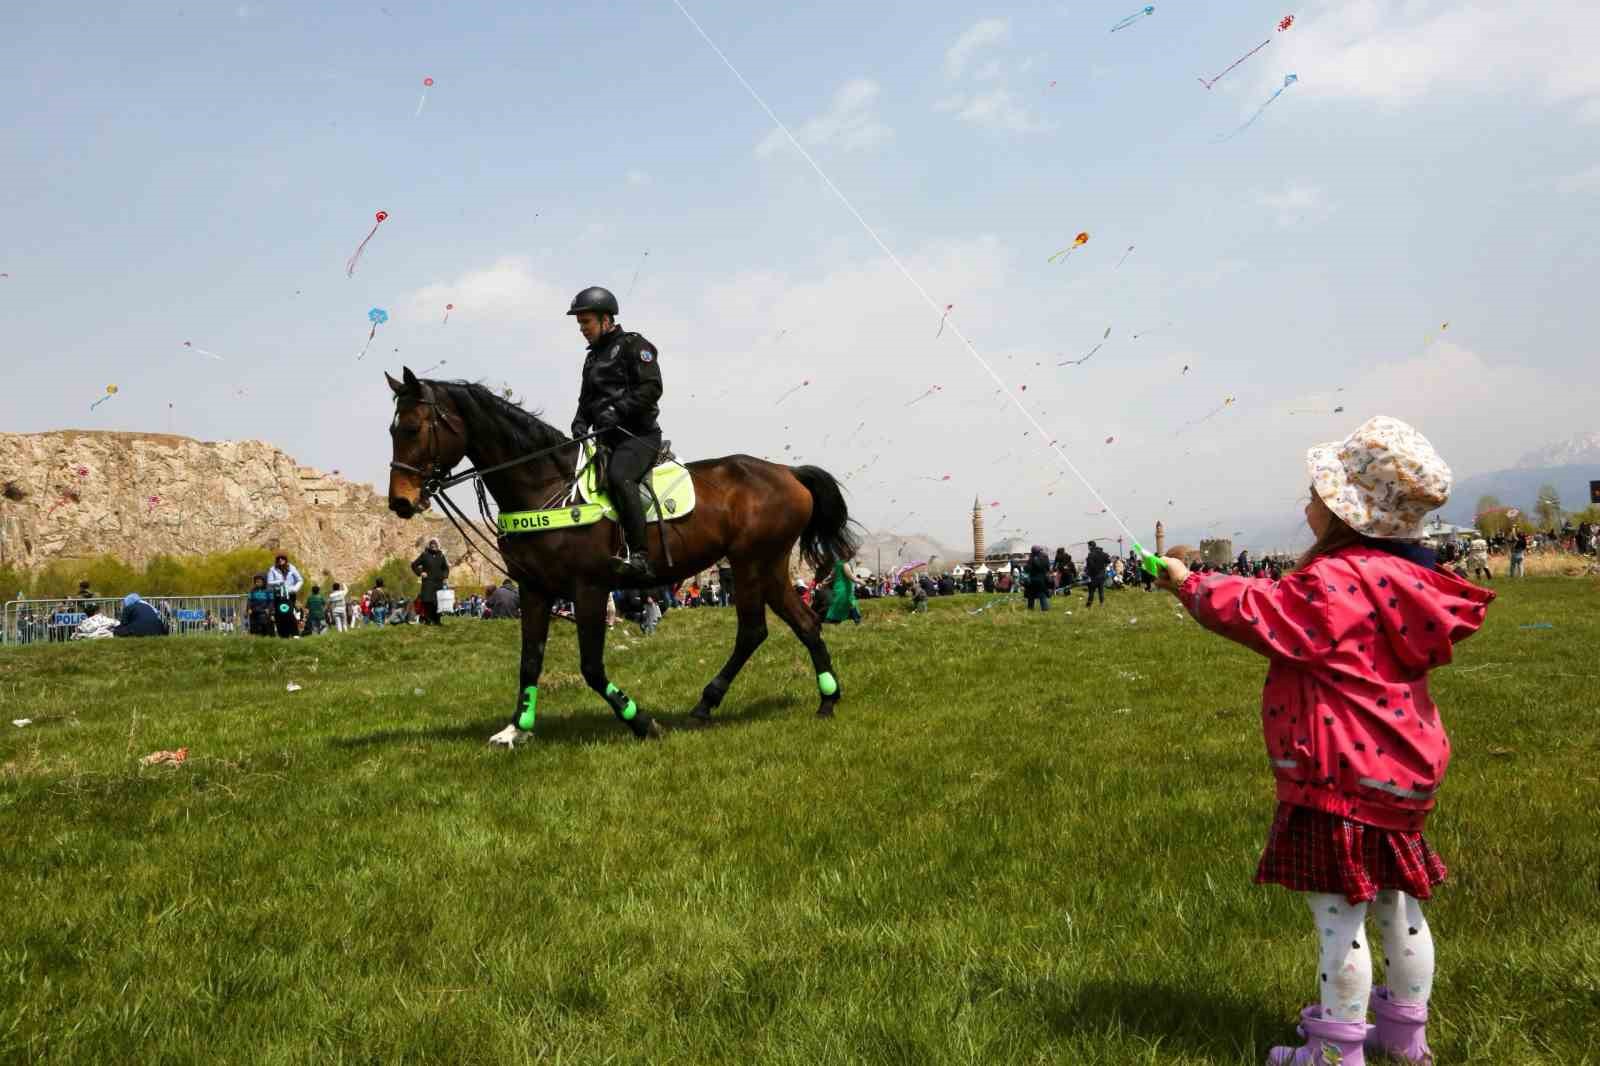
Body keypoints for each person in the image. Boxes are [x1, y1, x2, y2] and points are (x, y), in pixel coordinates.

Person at [1154, 415, 1493, 1066]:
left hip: (1340, 778)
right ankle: (1404, 1036)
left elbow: (1262, 612)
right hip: (1400, 775)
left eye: (1319, 495)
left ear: (1347, 515)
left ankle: (1337, 1052)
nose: (1307, 503)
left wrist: (1188, 584)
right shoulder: (1410, 580)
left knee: (1340, 920)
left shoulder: (1337, 581)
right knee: (1399, 908)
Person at [566, 285, 665, 582]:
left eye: (586, 322)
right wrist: (579, 423)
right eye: (579, 324)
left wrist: (618, 410)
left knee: (619, 476)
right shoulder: (591, 358)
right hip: (604, 440)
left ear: (606, 319)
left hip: (638, 438)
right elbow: (586, 401)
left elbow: (652, 388)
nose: (582, 329)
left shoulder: (635, 345)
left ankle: (640, 556)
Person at [411, 538, 450, 625]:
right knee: (427, 601)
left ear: (437, 546)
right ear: (429, 546)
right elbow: (414, 565)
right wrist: (420, 572)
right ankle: (428, 620)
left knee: (437, 602)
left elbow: (446, 568)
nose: (433, 546)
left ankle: (437, 621)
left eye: (435, 545)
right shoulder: (425, 555)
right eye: (432, 545)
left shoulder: (441, 555)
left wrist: (445, 577)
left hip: (438, 583)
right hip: (428, 583)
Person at [265, 553, 303, 638]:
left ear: (286, 560)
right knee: (279, 615)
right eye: (278, 559)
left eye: (282, 558)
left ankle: (295, 634)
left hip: (290, 595)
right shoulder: (273, 569)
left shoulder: (292, 568)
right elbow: (269, 582)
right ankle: (283, 635)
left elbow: (300, 580)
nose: (280, 560)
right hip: (278, 595)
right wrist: (279, 581)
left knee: (289, 613)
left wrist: (294, 589)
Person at [823, 558, 862, 625]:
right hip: (845, 588)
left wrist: (824, 581)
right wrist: (861, 581)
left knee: (840, 603)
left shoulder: (837, 565)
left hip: (838, 587)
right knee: (850, 603)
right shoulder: (845, 564)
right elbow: (851, 577)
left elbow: (831, 576)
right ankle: (856, 620)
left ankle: (832, 620)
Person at [1024, 545, 1053, 611]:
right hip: (1042, 579)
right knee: (1042, 594)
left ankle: (1030, 609)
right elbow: (1048, 568)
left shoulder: (1032, 558)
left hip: (1033, 579)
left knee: (1031, 595)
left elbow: (1027, 569)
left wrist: (1025, 567)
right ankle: (1045, 608)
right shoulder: (1045, 557)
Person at [1083, 541, 1110, 608]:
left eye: (1088, 546)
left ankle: (1089, 605)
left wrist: (1088, 572)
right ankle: (1102, 604)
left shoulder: (1091, 554)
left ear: (1090, 546)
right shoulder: (1103, 553)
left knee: (1091, 591)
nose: (1088, 548)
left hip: (1094, 576)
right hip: (1102, 574)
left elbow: (1090, 565)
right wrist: (1103, 567)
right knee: (1101, 591)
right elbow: (1109, 561)